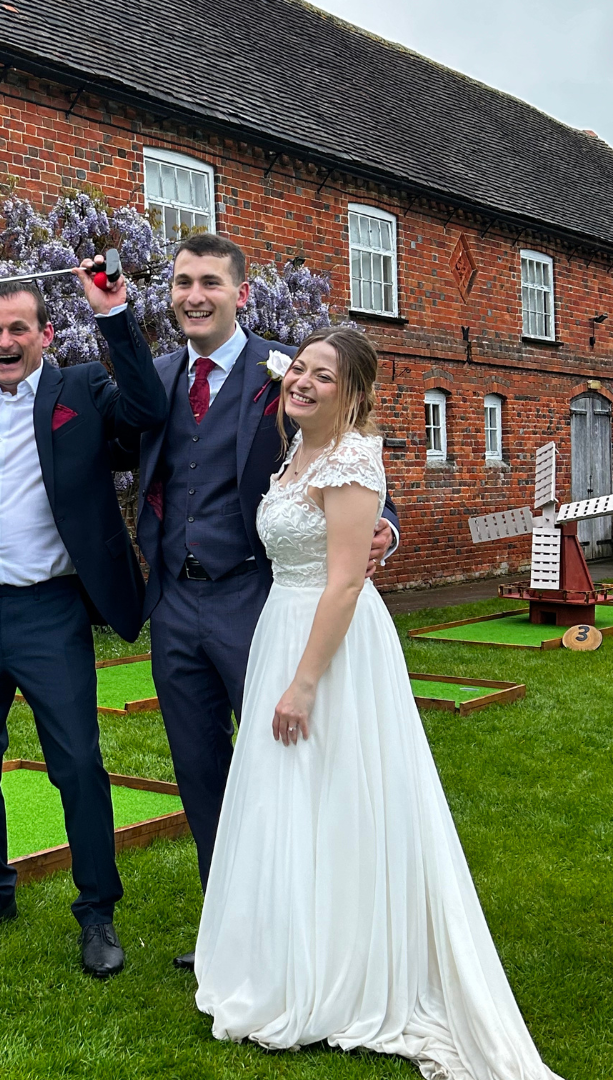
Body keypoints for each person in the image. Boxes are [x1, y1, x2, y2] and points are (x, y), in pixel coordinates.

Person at [194, 328, 562, 1078]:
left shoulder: (355, 459)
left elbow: (345, 581)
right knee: (291, 796)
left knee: (341, 794)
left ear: (354, 392)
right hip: (282, 628)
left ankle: (348, 967)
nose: (302, 382)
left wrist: (303, 683)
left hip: (330, 647)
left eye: (322, 376)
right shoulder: (295, 454)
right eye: (299, 368)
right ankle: (294, 951)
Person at [92, 233, 399, 968]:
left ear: (242, 294)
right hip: (176, 606)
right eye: (181, 282)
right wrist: (109, 318)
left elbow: (348, 446)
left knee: (285, 770)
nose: (193, 296)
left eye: (209, 283)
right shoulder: (154, 374)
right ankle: (229, 929)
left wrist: (387, 524)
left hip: (258, 602)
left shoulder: (287, 374)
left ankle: (311, 927)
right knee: (200, 772)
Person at [0, 263, 168, 977]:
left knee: (78, 764)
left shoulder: (82, 390)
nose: (6, 341)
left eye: (19, 329)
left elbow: (150, 412)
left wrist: (116, 315)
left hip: (49, 609)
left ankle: (97, 911)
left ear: (45, 333)